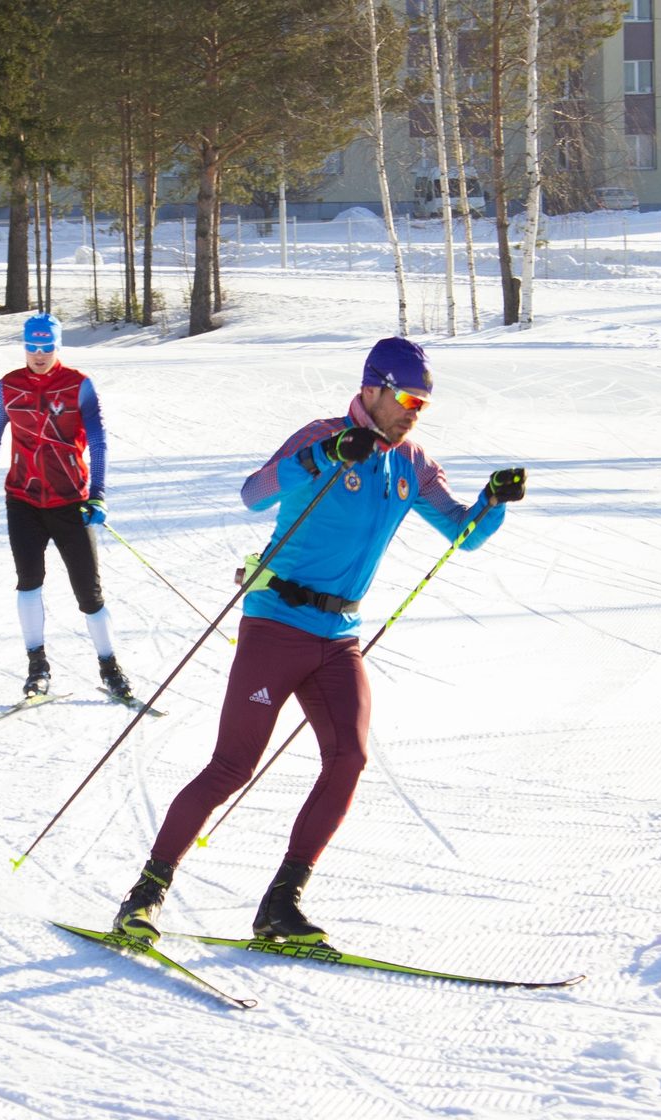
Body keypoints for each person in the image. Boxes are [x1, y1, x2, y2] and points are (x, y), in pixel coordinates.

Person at [110, 337, 526, 943]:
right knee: (232, 766)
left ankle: (281, 903)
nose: (415, 411)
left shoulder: (413, 463)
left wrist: (493, 501)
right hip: (276, 623)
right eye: (408, 398)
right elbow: (252, 494)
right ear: (373, 388)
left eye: (425, 404)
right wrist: (325, 456)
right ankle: (145, 894)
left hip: (339, 637)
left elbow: (462, 534)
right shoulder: (322, 434)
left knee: (349, 758)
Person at [0, 312, 135, 704]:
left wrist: (97, 493)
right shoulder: (7, 386)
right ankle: (37, 668)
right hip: (23, 500)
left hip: (71, 502)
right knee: (28, 583)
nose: (39, 355)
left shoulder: (79, 385)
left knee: (89, 592)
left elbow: (98, 443)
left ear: (58, 346)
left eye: (47, 347)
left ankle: (110, 667)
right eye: (32, 347)